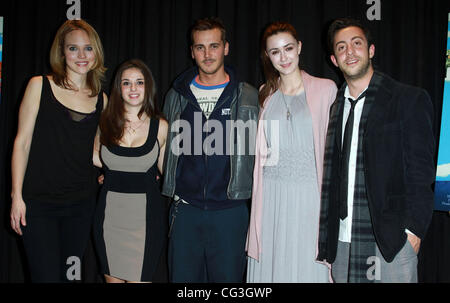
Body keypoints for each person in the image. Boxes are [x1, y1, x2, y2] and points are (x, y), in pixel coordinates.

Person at [316, 18, 435, 283]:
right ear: (334, 59)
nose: (350, 52)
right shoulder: (337, 106)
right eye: (341, 47)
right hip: (343, 240)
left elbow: (421, 174)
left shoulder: (407, 99)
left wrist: (413, 232)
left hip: (390, 241)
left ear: (371, 50)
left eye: (357, 44)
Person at [162, 17, 259, 282]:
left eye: (214, 46)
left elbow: (263, 150)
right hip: (186, 210)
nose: (207, 54)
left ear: (226, 48)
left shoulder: (248, 95)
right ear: (192, 51)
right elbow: (161, 146)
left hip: (231, 210)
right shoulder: (176, 95)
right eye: (200, 47)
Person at [10, 19, 107, 282]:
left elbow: (97, 153)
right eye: (73, 48)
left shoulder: (102, 98)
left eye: (88, 48)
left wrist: (120, 171)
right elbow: (22, 143)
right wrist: (16, 196)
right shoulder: (39, 85)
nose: (81, 56)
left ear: (96, 52)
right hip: (39, 204)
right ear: (61, 52)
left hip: (81, 205)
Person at [246, 22, 337, 282]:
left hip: (310, 197)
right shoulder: (265, 93)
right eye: (275, 52)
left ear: (299, 48)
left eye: (288, 48)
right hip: (271, 197)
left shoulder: (326, 89)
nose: (283, 57)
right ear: (267, 55)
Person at [92, 59, 169, 283]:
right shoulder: (105, 121)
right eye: (126, 83)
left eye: (139, 82)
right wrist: (111, 170)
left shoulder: (161, 126)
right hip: (109, 220)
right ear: (119, 88)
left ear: (148, 87)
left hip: (146, 222)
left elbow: (166, 171)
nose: (133, 88)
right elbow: (94, 156)